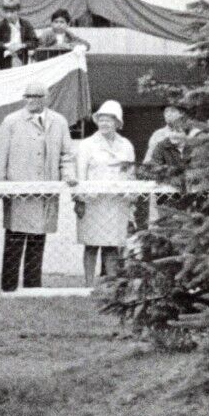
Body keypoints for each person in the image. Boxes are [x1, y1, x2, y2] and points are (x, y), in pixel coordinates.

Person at [0, 82, 76, 292]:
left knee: (38, 240)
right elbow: (0, 155)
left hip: (46, 191)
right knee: (14, 239)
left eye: (36, 96)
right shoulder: (11, 121)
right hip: (18, 191)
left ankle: (32, 287)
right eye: (27, 96)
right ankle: (8, 288)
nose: (31, 100)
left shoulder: (59, 122)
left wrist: (68, 174)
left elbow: (67, 154)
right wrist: (1, 187)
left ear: (46, 98)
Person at [75, 100, 136, 286]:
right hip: (93, 202)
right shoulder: (87, 144)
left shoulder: (126, 145)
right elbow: (80, 173)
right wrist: (80, 199)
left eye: (109, 120)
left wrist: (129, 197)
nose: (104, 123)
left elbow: (130, 173)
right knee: (91, 245)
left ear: (117, 123)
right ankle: (88, 285)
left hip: (116, 203)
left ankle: (111, 285)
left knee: (112, 246)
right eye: (101, 119)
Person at [0, 0, 36, 69]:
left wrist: (21, 45)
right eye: (6, 12)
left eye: (12, 12)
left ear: (18, 11)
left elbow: (34, 42)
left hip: (21, 58)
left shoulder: (26, 25)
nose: (9, 15)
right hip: (4, 61)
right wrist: (6, 45)